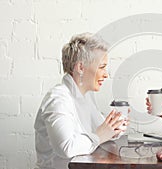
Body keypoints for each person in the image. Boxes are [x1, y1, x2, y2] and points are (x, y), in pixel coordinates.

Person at [34, 33, 128, 169]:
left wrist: (115, 127)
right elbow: (67, 147)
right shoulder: (58, 99)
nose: (106, 74)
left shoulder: (85, 97)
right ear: (81, 68)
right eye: (101, 67)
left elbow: (101, 131)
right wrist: (99, 136)